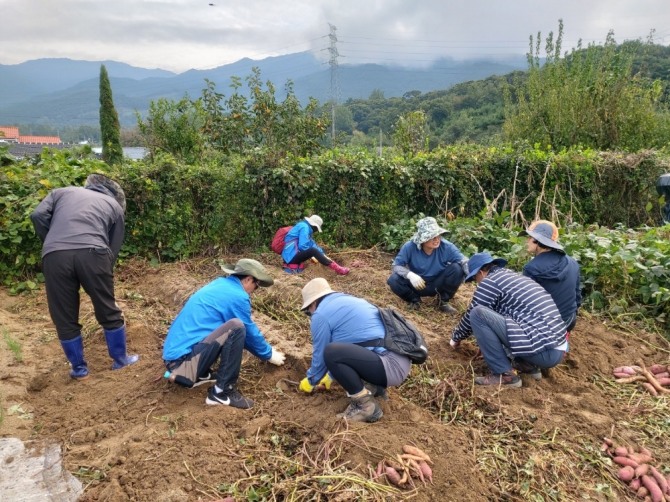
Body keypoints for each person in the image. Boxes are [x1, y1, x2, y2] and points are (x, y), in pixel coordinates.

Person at [30, 173, 139, 380]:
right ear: (114, 194)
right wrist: (101, 272)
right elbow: (112, 247)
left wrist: (53, 242)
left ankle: (79, 369)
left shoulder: (60, 193)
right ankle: (120, 360)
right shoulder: (113, 205)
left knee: (64, 314)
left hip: (54, 256)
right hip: (94, 254)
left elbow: (37, 216)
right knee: (106, 306)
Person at [162, 258, 286, 409]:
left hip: (176, 360)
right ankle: (221, 393)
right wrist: (269, 354)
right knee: (236, 327)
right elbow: (249, 332)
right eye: (257, 285)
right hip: (183, 365)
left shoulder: (220, 284)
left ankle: (201, 375)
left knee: (226, 328)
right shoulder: (238, 296)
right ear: (248, 279)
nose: (256, 289)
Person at [298, 278, 411, 423]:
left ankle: (365, 406)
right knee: (336, 352)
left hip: (389, 366)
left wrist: (311, 380)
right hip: (399, 362)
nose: (311, 314)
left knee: (331, 352)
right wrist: (331, 376)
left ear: (313, 303)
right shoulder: (346, 302)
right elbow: (353, 345)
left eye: (308, 311)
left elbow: (322, 354)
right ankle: (375, 389)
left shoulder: (320, 315)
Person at [449, 252, 568, 387]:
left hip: (543, 352)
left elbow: (473, 311)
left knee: (478, 314)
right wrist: (488, 343)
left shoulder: (490, 281)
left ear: (481, 273)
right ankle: (528, 366)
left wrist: (456, 337)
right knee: (516, 320)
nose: (477, 283)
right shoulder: (513, 278)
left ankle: (503, 374)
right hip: (556, 349)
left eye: (475, 278)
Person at [387, 216, 467, 313]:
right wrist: (410, 275)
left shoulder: (446, 247)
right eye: (432, 237)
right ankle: (414, 300)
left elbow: (464, 261)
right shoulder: (410, 247)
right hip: (417, 284)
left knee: (457, 268)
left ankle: (443, 301)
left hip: (437, 283)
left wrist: (474, 275)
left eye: (438, 235)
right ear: (423, 239)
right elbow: (396, 266)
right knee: (393, 280)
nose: (437, 239)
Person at [519, 220, 581, 332]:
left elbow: (525, 304)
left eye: (529, 238)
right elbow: (577, 298)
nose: (527, 241)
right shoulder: (573, 263)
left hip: (546, 327)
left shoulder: (531, 268)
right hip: (569, 321)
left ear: (537, 241)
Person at [281, 215, 349, 275]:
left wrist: (321, 253)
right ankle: (337, 269)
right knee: (313, 251)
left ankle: (334, 265)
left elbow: (311, 243)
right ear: (314, 225)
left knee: (316, 250)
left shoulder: (305, 227)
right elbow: (303, 246)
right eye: (317, 228)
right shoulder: (304, 227)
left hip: (290, 255)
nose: (316, 230)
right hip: (290, 256)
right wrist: (315, 254)